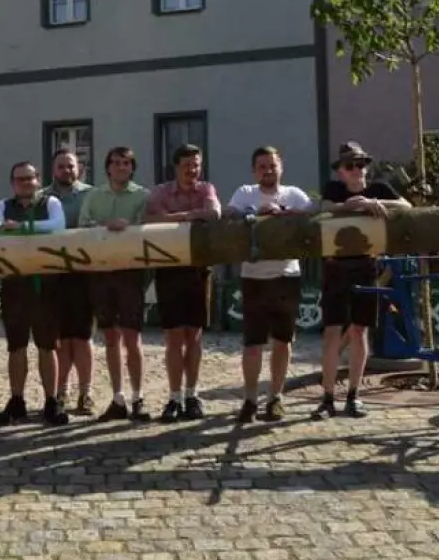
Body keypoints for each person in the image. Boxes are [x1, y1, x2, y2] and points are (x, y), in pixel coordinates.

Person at [317, 141, 408, 420]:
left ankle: (354, 396)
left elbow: (406, 205)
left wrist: (374, 203)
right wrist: (350, 206)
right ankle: (327, 397)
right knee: (333, 331)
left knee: (359, 331)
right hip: (336, 267)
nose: (357, 170)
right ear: (340, 171)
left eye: (361, 164)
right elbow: (324, 207)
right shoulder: (333, 189)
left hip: (367, 266)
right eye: (350, 166)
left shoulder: (378, 189)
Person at [229, 146, 315, 423]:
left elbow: (313, 219)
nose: (268, 171)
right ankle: (250, 399)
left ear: (281, 167)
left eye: (272, 165)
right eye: (262, 166)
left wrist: (285, 212)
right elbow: (229, 214)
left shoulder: (295, 195)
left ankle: (276, 397)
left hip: (286, 275)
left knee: (282, 341)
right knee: (252, 343)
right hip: (254, 276)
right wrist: (255, 211)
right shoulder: (245, 193)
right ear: (255, 171)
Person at [0, 161, 69, 426]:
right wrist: (12, 228)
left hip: (46, 285)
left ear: (37, 179)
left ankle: (51, 401)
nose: (24, 183)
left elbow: (58, 226)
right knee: (16, 346)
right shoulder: (1, 206)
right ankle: (17, 400)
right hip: (15, 285)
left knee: (47, 345)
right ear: (12, 183)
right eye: (19, 179)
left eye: (29, 178)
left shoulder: (51, 203)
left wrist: (19, 228)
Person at [143, 144, 222, 422]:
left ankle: (192, 394)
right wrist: (190, 216)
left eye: (196, 165)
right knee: (173, 337)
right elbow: (150, 219)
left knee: (195, 336)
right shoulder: (160, 192)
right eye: (187, 165)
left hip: (198, 270)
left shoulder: (206, 189)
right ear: (176, 167)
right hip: (169, 271)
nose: (192, 170)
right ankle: (174, 396)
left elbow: (213, 213)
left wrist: (174, 219)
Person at [77, 146, 152, 421]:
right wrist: (105, 225)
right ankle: (117, 398)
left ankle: (138, 396)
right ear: (108, 167)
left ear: (132, 168)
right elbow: (82, 226)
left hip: (130, 273)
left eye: (126, 163)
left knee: (132, 337)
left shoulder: (143, 195)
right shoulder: (94, 195)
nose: (121, 167)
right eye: (116, 163)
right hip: (100, 272)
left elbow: (149, 231)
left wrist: (128, 228)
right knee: (110, 337)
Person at [43, 149, 95, 414]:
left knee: (83, 337)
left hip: (84, 275)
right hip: (54, 277)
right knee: (61, 339)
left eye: (71, 166)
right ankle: (60, 391)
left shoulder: (90, 195)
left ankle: (86, 392)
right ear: (54, 170)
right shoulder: (42, 198)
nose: (67, 170)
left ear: (79, 169)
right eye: (61, 166)